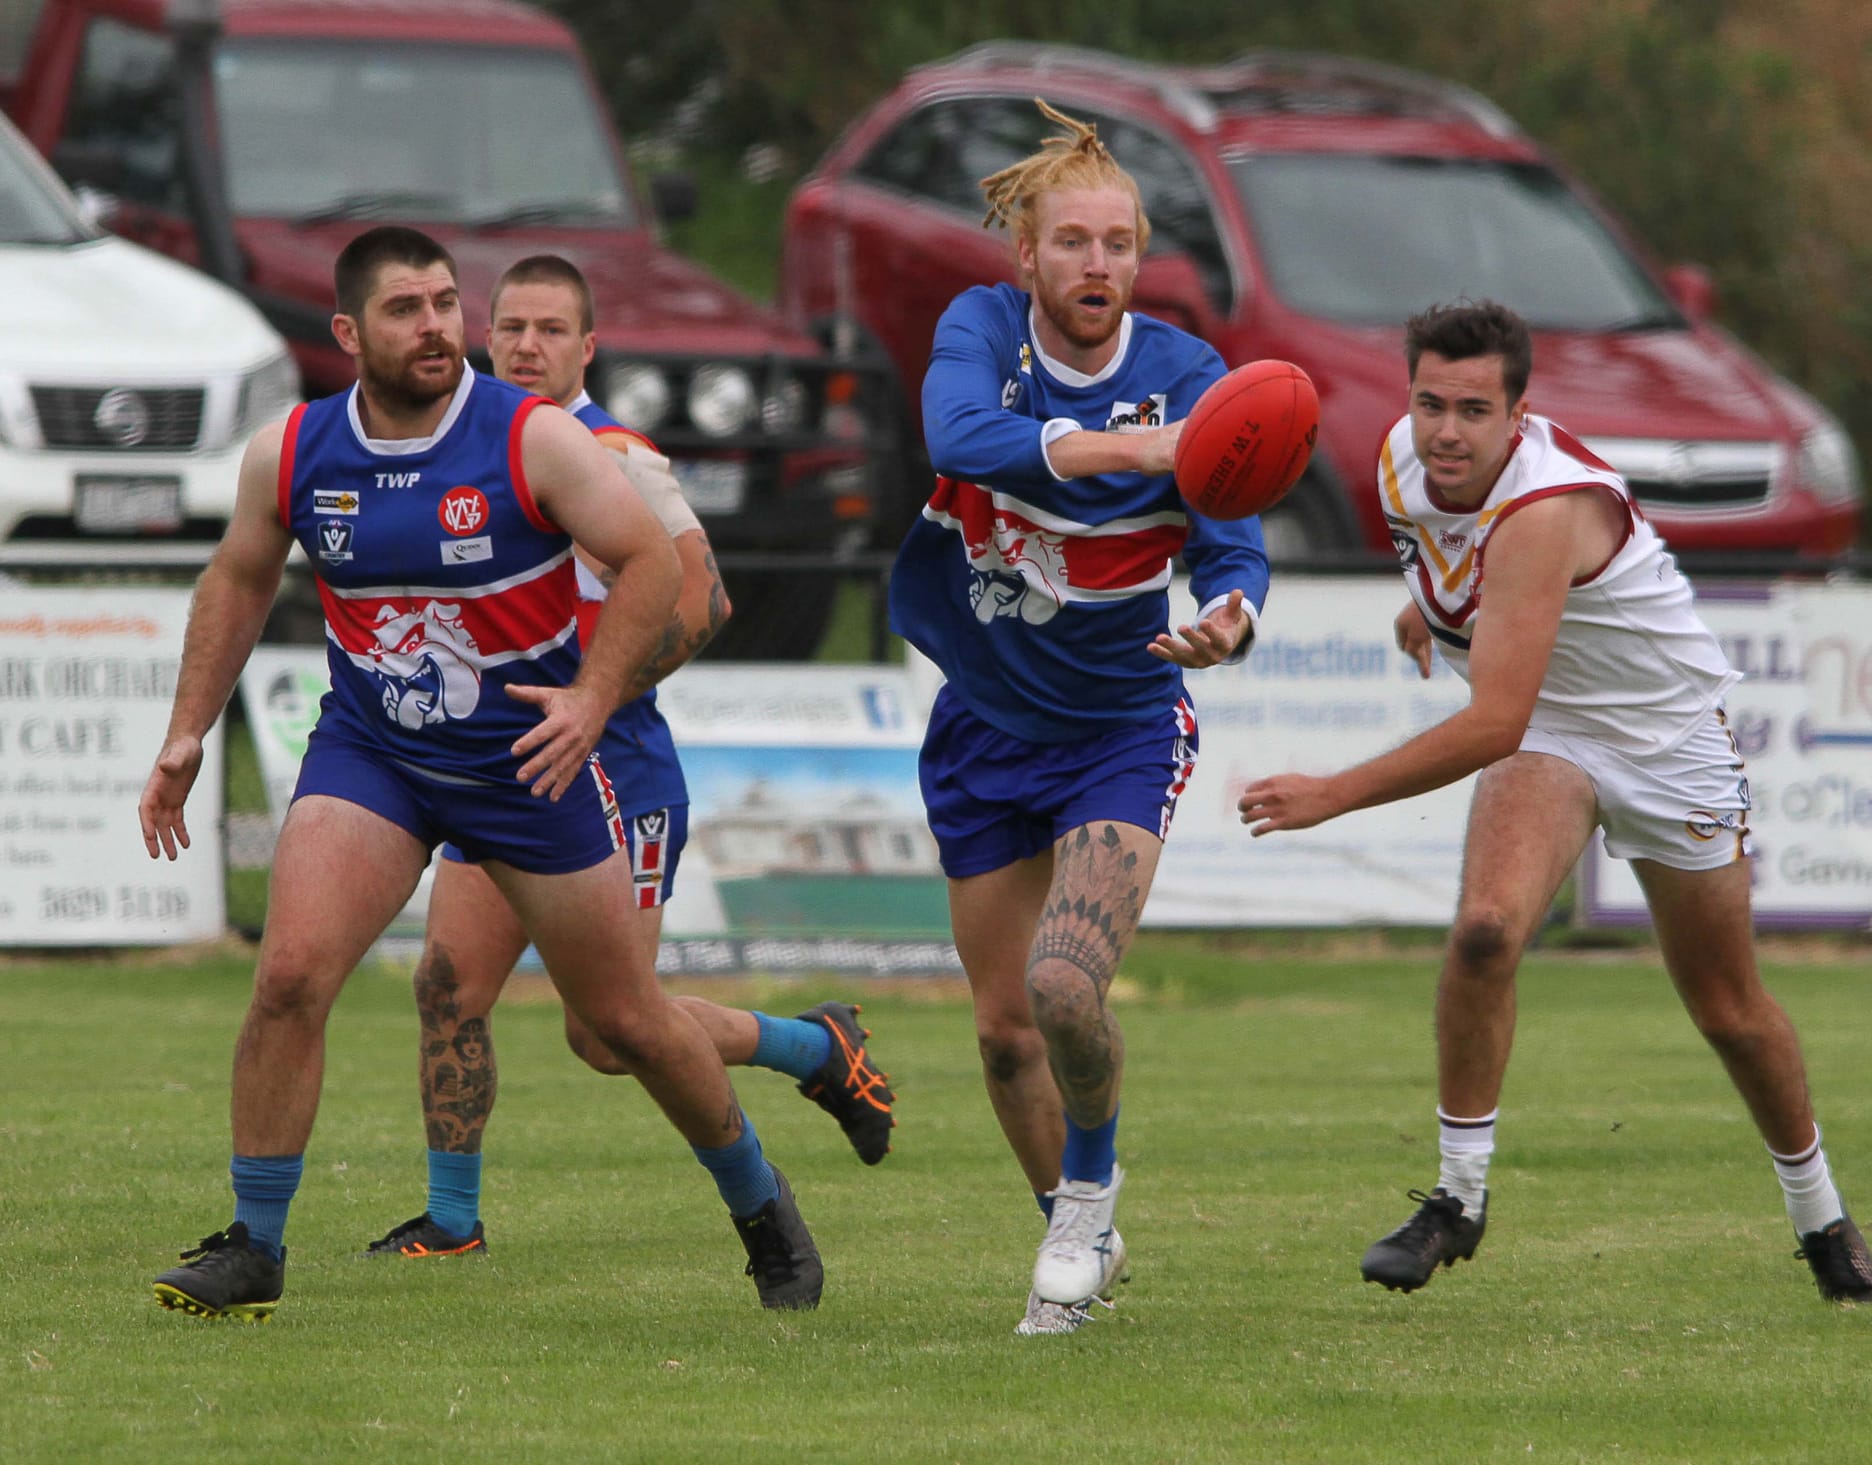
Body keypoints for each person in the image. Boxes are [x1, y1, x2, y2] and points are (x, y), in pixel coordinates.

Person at [139, 226, 823, 1320]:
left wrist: (593, 699)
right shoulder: (295, 451)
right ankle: (254, 1244)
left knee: (626, 1023)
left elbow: (654, 565)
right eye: (408, 309)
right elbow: (237, 576)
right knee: (289, 976)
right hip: (373, 753)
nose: (438, 328)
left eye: (448, 303)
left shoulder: (533, 438)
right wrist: (186, 730)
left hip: (521, 767)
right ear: (349, 333)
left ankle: (758, 1203)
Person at [1237, 298, 1872, 1305]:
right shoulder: (1403, 462)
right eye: (1427, 403)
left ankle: (1821, 1218)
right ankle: (1455, 1201)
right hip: (1550, 730)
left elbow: (1489, 720)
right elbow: (1466, 588)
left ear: (1517, 414)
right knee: (1484, 933)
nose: (1444, 430)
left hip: (1663, 739)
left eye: (1470, 409)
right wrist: (1431, 606)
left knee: (1727, 1009)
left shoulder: (1544, 507)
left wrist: (1331, 792)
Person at [363, 254, 894, 1261]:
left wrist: (595, 695)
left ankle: (815, 1047)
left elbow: (707, 602)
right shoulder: (464, 450)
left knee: (608, 1032)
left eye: (550, 330)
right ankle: (453, 1219)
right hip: (500, 765)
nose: (525, 345)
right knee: (445, 983)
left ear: (586, 347)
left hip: (613, 773)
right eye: (510, 327)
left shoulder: (614, 455)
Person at [889, 101, 1270, 1335]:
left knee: (1062, 987)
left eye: (1117, 243)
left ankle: (1081, 1208)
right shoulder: (981, 329)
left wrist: (1228, 619)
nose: (1095, 264)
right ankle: (1085, 1236)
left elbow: (1235, 548)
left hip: (1121, 722)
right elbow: (958, 436)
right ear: (1027, 257)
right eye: (1070, 242)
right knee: (1004, 1037)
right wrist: (1127, 449)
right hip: (985, 722)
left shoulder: (1191, 378)